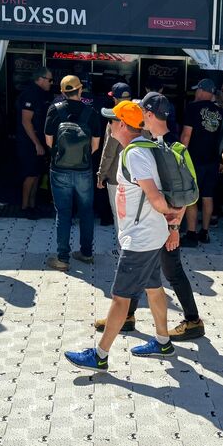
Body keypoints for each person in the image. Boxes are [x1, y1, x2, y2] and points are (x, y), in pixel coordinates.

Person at [65, 101, 178, 370]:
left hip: (140, 239)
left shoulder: (135, 155)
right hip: (152, 235)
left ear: (123, 125)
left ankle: (100, 355)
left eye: (112, 120)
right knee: (153, 287)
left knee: (120, 297)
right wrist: (170, 226)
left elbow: (154, 197)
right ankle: (163, 342)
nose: (108, 125)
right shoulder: (145, 148)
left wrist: (171, 217)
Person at [95, 91, 204, 339]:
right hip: (156, 224)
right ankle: (130, 318)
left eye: (143, 110)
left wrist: (174, 229)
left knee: (170, 271)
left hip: (164, 225)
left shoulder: (169, 145)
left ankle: (192, 320)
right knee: (148, 276)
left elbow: (181, 192)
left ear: (150, 114)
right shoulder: (151, 141)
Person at [44, 75, 103, 271]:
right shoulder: (91, 112)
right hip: (84, 169)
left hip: (59, 169)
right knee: (86, 212)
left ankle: (62, 258)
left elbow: (49, 142)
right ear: (80, 90)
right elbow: (95, 146)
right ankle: (86, 253)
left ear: (62, 92)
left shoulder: (55, 110)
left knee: (63, 213)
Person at [181, 78, 223, 246]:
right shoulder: (221, 112)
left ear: (201, 90)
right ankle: (205, 232)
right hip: (213, 161)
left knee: (192, 197)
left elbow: (186, 135)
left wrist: (180, 158)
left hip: (194, 160)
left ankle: (191, 234)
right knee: (208, 196)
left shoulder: (192, 108)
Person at [97, 82, 134, 251]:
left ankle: (123, 249)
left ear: (116, 99)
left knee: (119, 214)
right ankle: (134, 246)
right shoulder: (140, 116)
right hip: (138, 176)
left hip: (116, 176)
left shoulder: (114, 118)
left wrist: (101, 174)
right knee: (134, 214)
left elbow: (109, 152)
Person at [16, 68, 53, 218]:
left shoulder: (42, 94)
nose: (51, 83)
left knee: (37, 173)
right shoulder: (30, 93)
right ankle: (24, 207)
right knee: (30, 174)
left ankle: (32, 204)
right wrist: (36, 143)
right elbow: (26, 121)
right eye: (49, 80)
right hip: (29, 142)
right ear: (40, 79)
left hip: (40, 140)